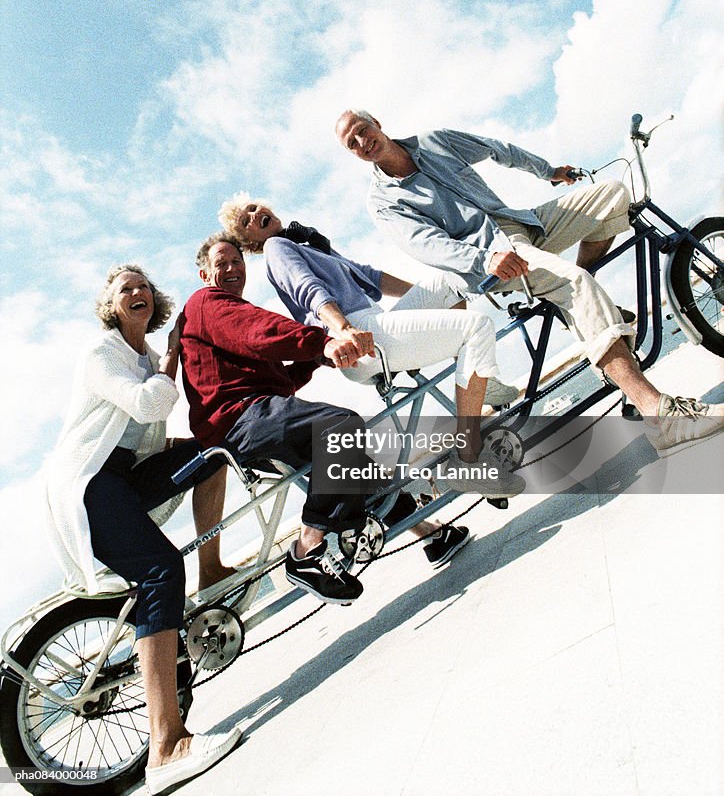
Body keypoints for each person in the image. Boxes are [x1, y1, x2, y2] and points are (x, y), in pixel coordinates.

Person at [335, 110, 724, 456]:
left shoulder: (434, 141)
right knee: (572, 285)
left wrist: (548, 170)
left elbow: (495, 148)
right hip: (490, 261)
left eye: (362, 130)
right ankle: (658, 414)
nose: (361, 141)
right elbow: (425, 245)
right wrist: (485, 258)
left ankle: (584, 311)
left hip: (522, 223)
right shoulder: (383, 200)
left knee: (612, 196)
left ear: (377, 124)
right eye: (351, 143)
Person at [45, 265, 241, 796]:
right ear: (111, 304)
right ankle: (166, 746)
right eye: (125, 288)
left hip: (124, 479)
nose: (137, 293)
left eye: (143, 287)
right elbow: (149, 403)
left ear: (155, 301)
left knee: (210, 453)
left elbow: (150, 436)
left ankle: (213, 567)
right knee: (159, 571)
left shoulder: (148, 360)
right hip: (91, 484)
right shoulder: (102, 354)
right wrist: (173, 359)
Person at [217, 192, 524, 510]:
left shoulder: (304, 243)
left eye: (254, 208)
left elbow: (369, 276)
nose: (254, 214)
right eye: (246, 220)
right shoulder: (275, 248)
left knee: (448, 282)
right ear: (250, 241)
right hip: (357, 335)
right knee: (477, 328)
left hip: (375, 324)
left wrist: (425, 301)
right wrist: (343, 329)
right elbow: (308, 289)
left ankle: (478, 382)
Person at [179, 233, 374, 606]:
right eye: (222, 263)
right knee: (342, 429)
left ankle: (429, 533)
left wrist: (316, 358)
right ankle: (306, 553)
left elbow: (279, 380)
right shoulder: (207, 303)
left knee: (361, 467)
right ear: (205, 274)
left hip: (257, 415)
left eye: (237, 261)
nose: (232, 268)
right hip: (241, 420)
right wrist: (322, 342)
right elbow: (258, 330)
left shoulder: (226, 322)